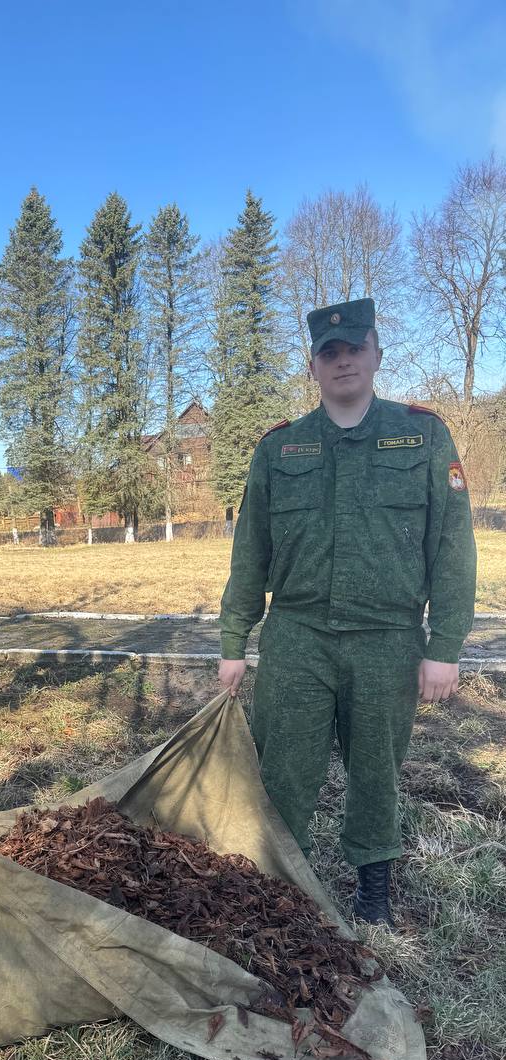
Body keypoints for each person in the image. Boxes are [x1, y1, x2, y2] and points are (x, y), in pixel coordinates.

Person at [218, 297, 476, 927]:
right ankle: (284, 888)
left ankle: (374, 888)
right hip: (297, 637)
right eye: (328, 353)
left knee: (376, 771)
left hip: (388, 638)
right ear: (312, 366)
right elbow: (250, 551)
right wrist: (233, 642)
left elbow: (452, 547)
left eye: (355, 348)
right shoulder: (280, 447)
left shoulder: (424, 435)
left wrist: (444, 647)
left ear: (376, 355)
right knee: (283, 770)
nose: (343, 361)